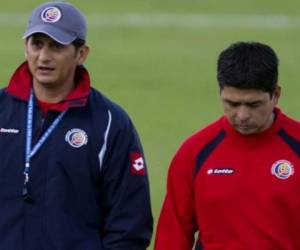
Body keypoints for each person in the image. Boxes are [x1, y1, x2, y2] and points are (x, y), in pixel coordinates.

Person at [0, 2, 153, 250]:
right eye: (37, 44)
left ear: (81, 54)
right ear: (25, 47)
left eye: (57, 46)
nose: (44, 57)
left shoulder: (110, 123)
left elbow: (130, 225)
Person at [154, 41, 300, 249]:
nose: (242, 115)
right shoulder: (195, 152)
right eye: (232, 104)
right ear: (220, 92)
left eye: (253, 104)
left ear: (275, 95)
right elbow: (173, 234)